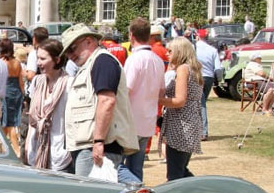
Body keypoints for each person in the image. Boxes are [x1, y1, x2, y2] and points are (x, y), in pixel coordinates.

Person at [61, 24, 139, 183]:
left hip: (96, 147)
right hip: (90, 146)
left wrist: (98, 142)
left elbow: (106, 101)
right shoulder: (93, 63)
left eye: (72, 48)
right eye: (67, 52)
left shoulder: (102, 61)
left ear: (89, 41)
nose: (70, 55)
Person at [122, 17, 165, 182]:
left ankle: (138, 192)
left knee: (121, 167)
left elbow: (126, 90)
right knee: (136, 167)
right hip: (147, 118)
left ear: (131, 36)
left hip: (132, 119)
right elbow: (161, 92)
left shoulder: (134, 59)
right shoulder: (157, 60)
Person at [159, 37, 204, 180]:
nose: (167, 54)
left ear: (180, 52)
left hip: (181, 125)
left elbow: (179, 100)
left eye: (170, 51)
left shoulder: (183, 69)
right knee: (181, 170)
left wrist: (155, 100)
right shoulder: (194, 68)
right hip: (191, 123)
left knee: (175, 174)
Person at [25, 40, 72, 172]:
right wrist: (28, 143)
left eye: (43, 59)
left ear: (57, 60)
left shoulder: (69, 84)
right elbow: (32, 119)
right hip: (37, 147)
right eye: (38, 58)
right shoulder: (37, 81)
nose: (38, 63)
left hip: (60, 151)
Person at [195, 28, 222, 140]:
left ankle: (203, 131)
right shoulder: (212, 50)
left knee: (201, 104)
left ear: (197, 36)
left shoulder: (194, 48)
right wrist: (219, 80)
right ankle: (199, 129)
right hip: (209, 77)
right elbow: (218, 68)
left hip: (197, 76)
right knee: (201, 102)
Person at [0, 39, 24, 155]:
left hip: (6, 92)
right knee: (11, 121)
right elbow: (21, 81)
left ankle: (16, 150)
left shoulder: (1, 62)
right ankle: (0, 145)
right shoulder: (17, 62)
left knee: (9, 123)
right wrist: (23, 95)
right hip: (17, 92)